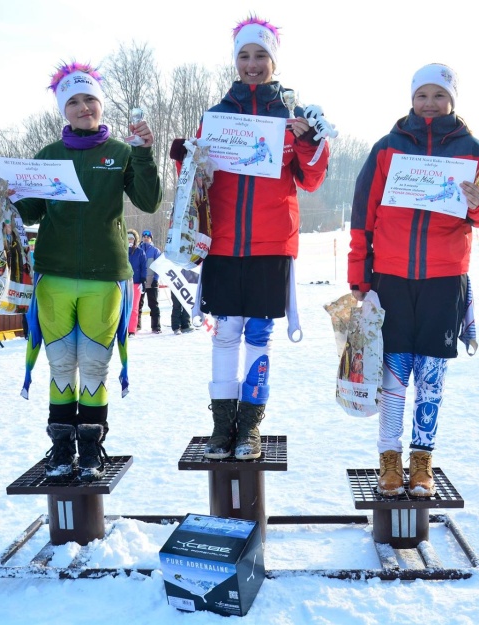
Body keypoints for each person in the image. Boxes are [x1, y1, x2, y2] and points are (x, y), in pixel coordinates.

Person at [176, 15, 332, 461]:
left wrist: (309, 142)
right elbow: (197, 179)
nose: (252, 63)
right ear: (235, 61)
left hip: (271, 244)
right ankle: (221, 425)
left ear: (273, 61)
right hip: (223, 243)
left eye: (261, 55)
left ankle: (250, 426)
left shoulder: (291, 117)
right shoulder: (216, 116)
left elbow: (312, 179)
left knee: (259, 334)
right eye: (244, 55)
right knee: (225, 333)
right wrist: (185, 158)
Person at [349, 63, 479, 496]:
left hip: (444, 280)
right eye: (422, 95)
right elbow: (363, 215)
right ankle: (388, 458)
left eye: (439, 95)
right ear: (411, 98)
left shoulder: (472, 151)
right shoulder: (387, 148)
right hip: (392, 279)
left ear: (452, 100)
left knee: (431, 377)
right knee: (393, 374)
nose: (430, 103)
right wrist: (359, 275)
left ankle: (422, 461)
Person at [13, 62, 161, 480]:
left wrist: (145, 152)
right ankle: (62, 450)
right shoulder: (48, 156)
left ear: (101, 104)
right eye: (74, 102)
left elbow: (149, 201)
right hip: (54, 275)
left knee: (95, 367)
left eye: (90, 99)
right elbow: (29, 211)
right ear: (64, 109)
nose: (83, 108)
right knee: (61, 366)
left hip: (104, 277)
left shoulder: (122, 153)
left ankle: (92, 451)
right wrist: (11, 195)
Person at [138, 230, 161, 333]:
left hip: (152, 282)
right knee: (138, 305)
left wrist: (156, 279)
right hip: (141, 282)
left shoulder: (155, 251)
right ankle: (136, 326)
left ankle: (156, 327)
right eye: (144, 236)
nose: (146, 238)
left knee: (154, 305)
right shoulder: (138, 250)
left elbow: (158, 267)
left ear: (151, 238)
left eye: (148, 237)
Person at [126, 229, 146, 336]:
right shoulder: (122, 251)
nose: (130, 240)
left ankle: (132, 330)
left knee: (134, 308)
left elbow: (144, 267)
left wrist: (143, 280)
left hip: (136, 283)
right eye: (128, 238)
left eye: (132, 238)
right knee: (122, 307)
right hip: (124, 282)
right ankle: (122, 329)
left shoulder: (140, 252)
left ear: (135, 240)